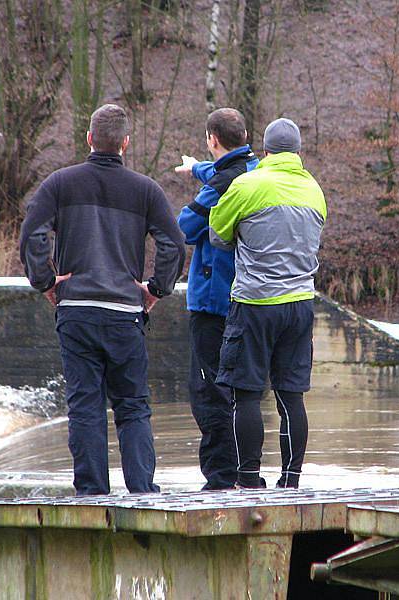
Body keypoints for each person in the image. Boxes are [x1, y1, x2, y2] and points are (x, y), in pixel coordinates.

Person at [19, 103, 185, 495]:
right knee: (132, 406)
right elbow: (174, 244)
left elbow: (32, 236)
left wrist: (45, 282)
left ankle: (92, 491)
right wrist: (156, 290)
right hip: (125, 313)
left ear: (90, 139)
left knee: (85, 406)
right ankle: (142, 490)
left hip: (76, 312)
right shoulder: (145, 190)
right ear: (125, 143)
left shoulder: (60, 184)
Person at [209, 117, 326, 489]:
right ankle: (290, 480)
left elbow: (217, 234)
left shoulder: (247, 184)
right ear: (298, 152)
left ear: (265, 150)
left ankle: (248, 478)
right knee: (291, 395)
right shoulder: (314, 190)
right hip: (301, 304)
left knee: (246, 393)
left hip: (255, 303)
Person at [175, 108, 258, 490]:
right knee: (246, 391)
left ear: (213, 139)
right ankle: (248, 471)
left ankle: (220, 476)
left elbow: (184, 228)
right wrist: (197, 169)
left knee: (208, 390)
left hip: (213, 301)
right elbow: (227, 170)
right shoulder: (256, 170)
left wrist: (201, 177)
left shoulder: (220, 185)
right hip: (253, 299)